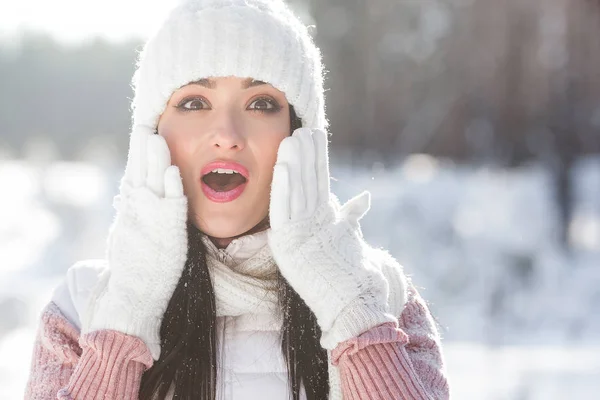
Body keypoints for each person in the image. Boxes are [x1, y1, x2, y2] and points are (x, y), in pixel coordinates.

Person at [24, 0, 450, 399]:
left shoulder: (382, 299)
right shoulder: (81, 308)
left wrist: (346, 303)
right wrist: (128, 309)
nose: (226, 135)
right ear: (150, 139)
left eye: (261, 103)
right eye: (194, 102)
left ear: (301, 137)